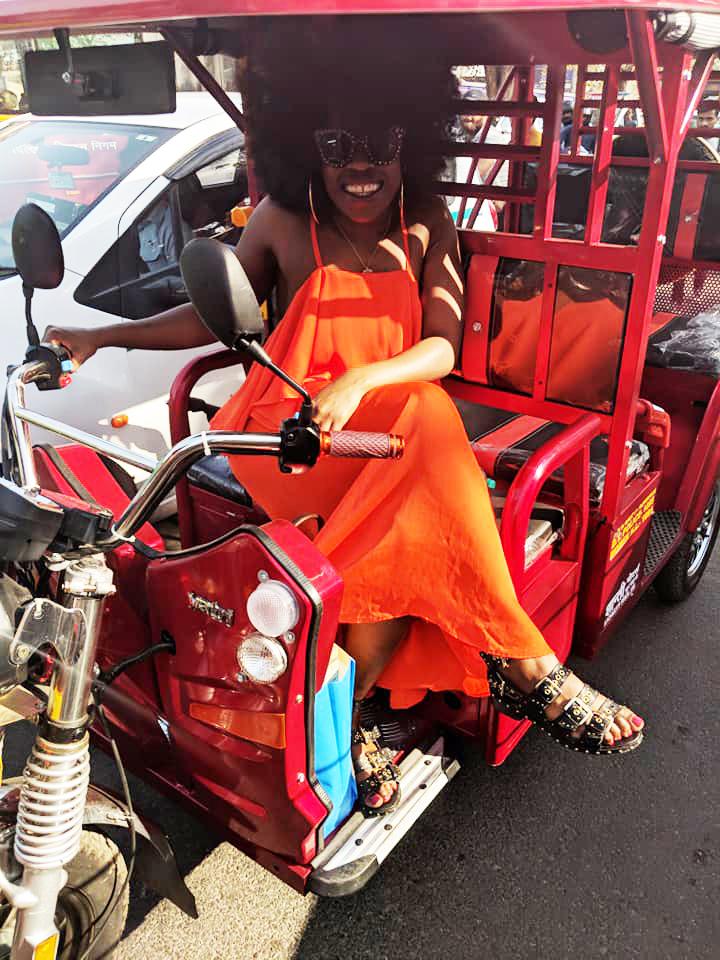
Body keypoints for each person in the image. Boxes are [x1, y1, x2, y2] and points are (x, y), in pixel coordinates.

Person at [45, 33, 644, 815]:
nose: (359, 167)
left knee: (421, 447)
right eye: (337, 146)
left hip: (382, 424)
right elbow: (209, 314)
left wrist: (364, 379)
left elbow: (440, 345)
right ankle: (527, 662)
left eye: (380, 144)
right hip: (287, 433)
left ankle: (347, 708)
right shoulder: (279, 220)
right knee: (427, 454)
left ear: (410, 141)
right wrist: (104, 334)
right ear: (309, 147)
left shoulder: (426, 218)